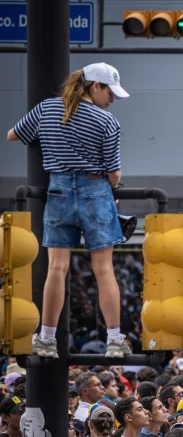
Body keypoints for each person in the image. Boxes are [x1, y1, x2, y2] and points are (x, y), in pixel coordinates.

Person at [7, 62, 131, 359]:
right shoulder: (107, 122)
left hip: (58, 191)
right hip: (96, 191)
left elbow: (13, 134)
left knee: (56, 269)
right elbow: (113, 173)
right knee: (103, 270)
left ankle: (46, 339)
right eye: (110, 91)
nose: (112, 99)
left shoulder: (47, 109)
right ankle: (114, 340)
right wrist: (111, 191)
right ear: (95, 87)